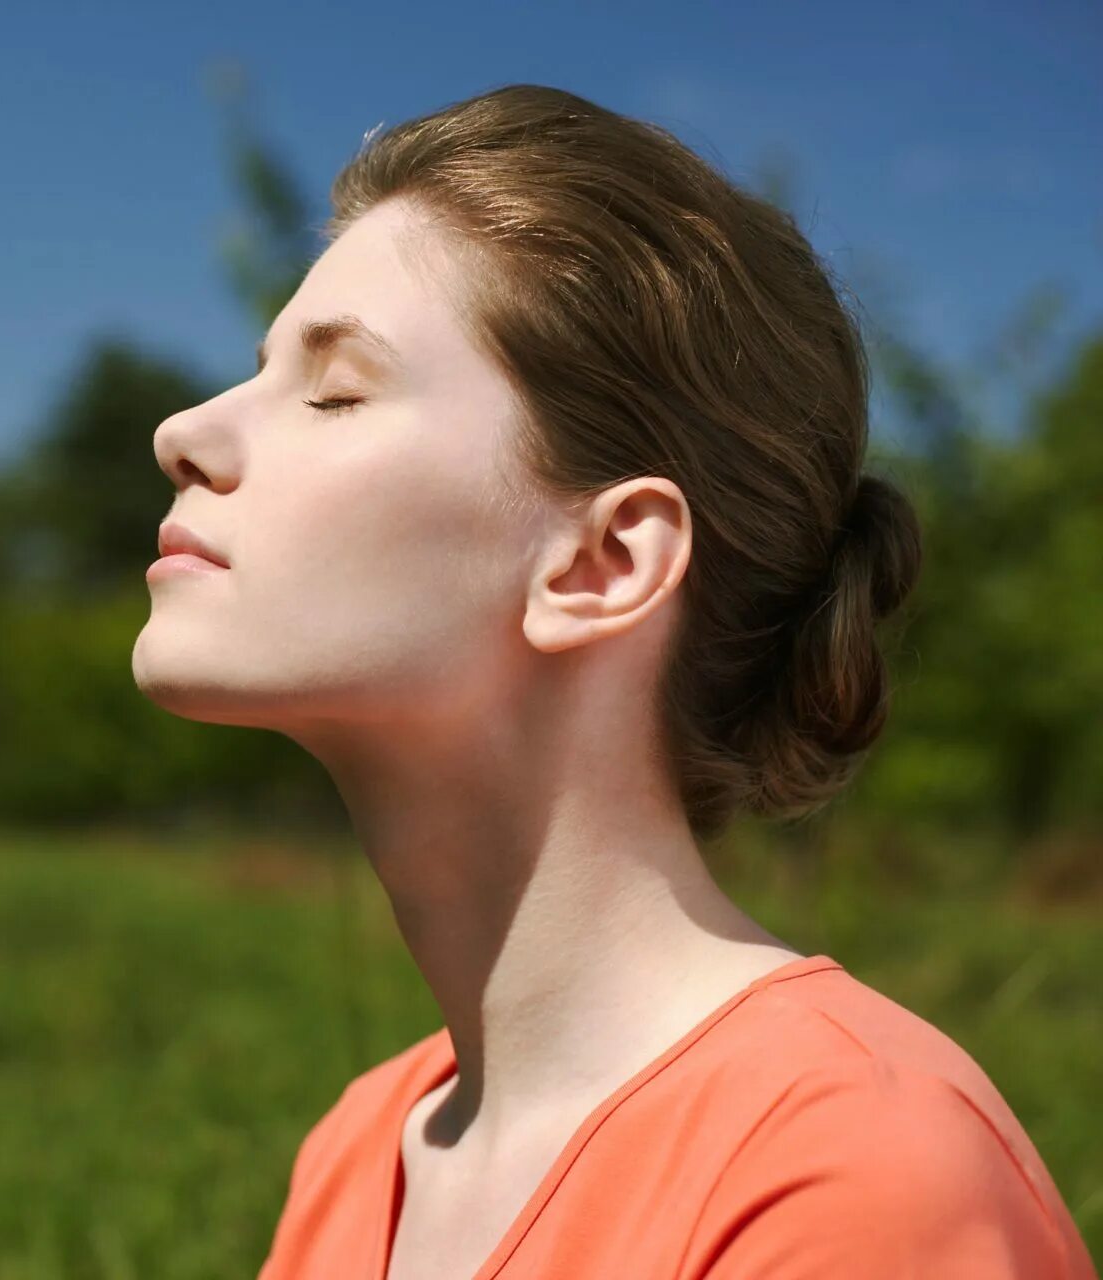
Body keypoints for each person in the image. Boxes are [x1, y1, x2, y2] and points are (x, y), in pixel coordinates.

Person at [132, 84, 1096, 1280]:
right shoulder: (358, 1148)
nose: (184, 429)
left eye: (335, 391)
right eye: (258, 370)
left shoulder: (849, 1174)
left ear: (603, 562)